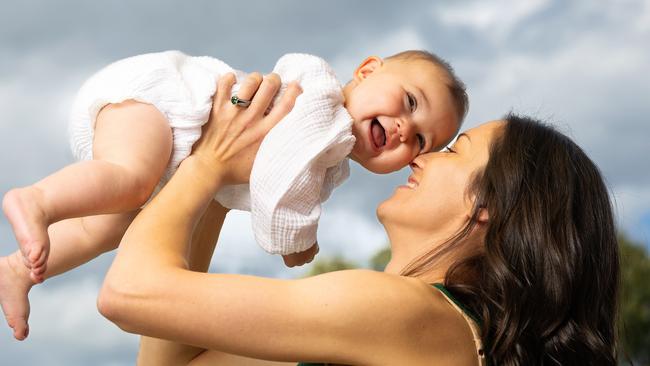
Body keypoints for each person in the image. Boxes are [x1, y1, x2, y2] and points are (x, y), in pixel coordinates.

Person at [97, 74, 620, 365]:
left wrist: (207, 162)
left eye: (451, 151)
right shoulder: (404, 328)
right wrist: (224, 183)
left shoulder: (405, 312)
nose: (420, 156)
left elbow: (128, 295)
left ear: (490, 205)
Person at [0, 49, 468, 340]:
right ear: (366, 71)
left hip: (172, 151)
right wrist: (295, 238)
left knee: (110, 226)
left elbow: (242, 177)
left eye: (423, 141)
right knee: (130, 176)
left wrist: (213, 177)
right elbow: (280, 179)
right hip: (164, 108)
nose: (407, 130)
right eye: (409, 103)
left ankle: (19, 269)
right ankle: (37, 200)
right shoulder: (324, 112)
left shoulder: (334, 149)